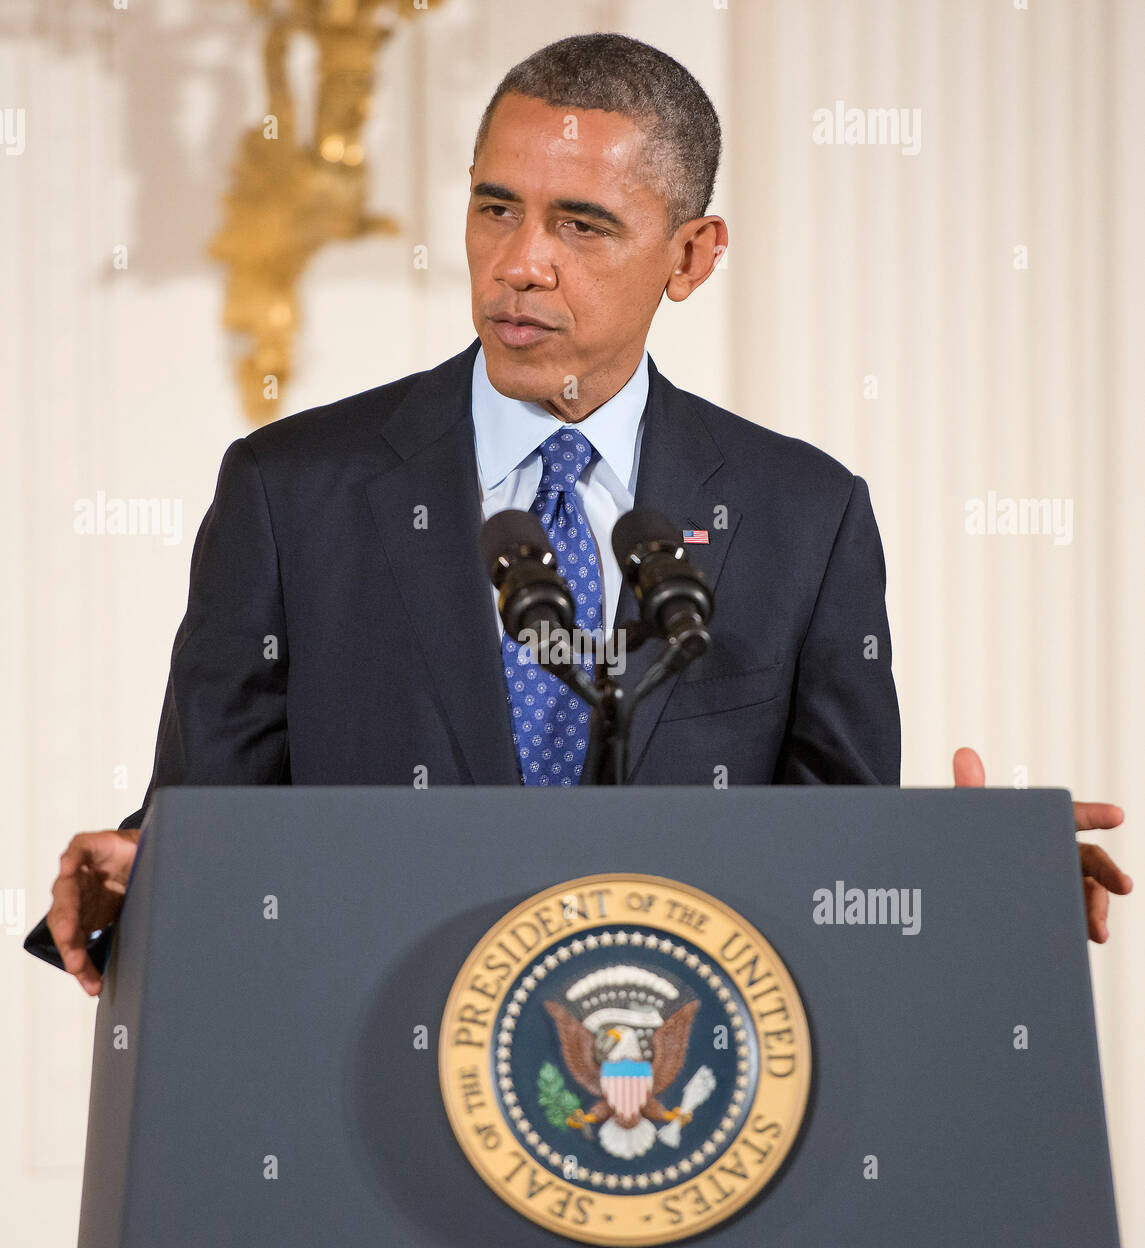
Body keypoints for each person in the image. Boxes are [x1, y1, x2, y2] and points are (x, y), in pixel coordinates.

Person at [44, 33, 1130, 996]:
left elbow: (827, 872)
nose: (520, 263)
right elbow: (210, 828)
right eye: (494, 207)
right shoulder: (292, 488)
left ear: (691, 256)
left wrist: (976, 882)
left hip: (676, 1113)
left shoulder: (802, 514)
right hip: (363, 1092)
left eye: (582, 223)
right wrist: (141, 873)